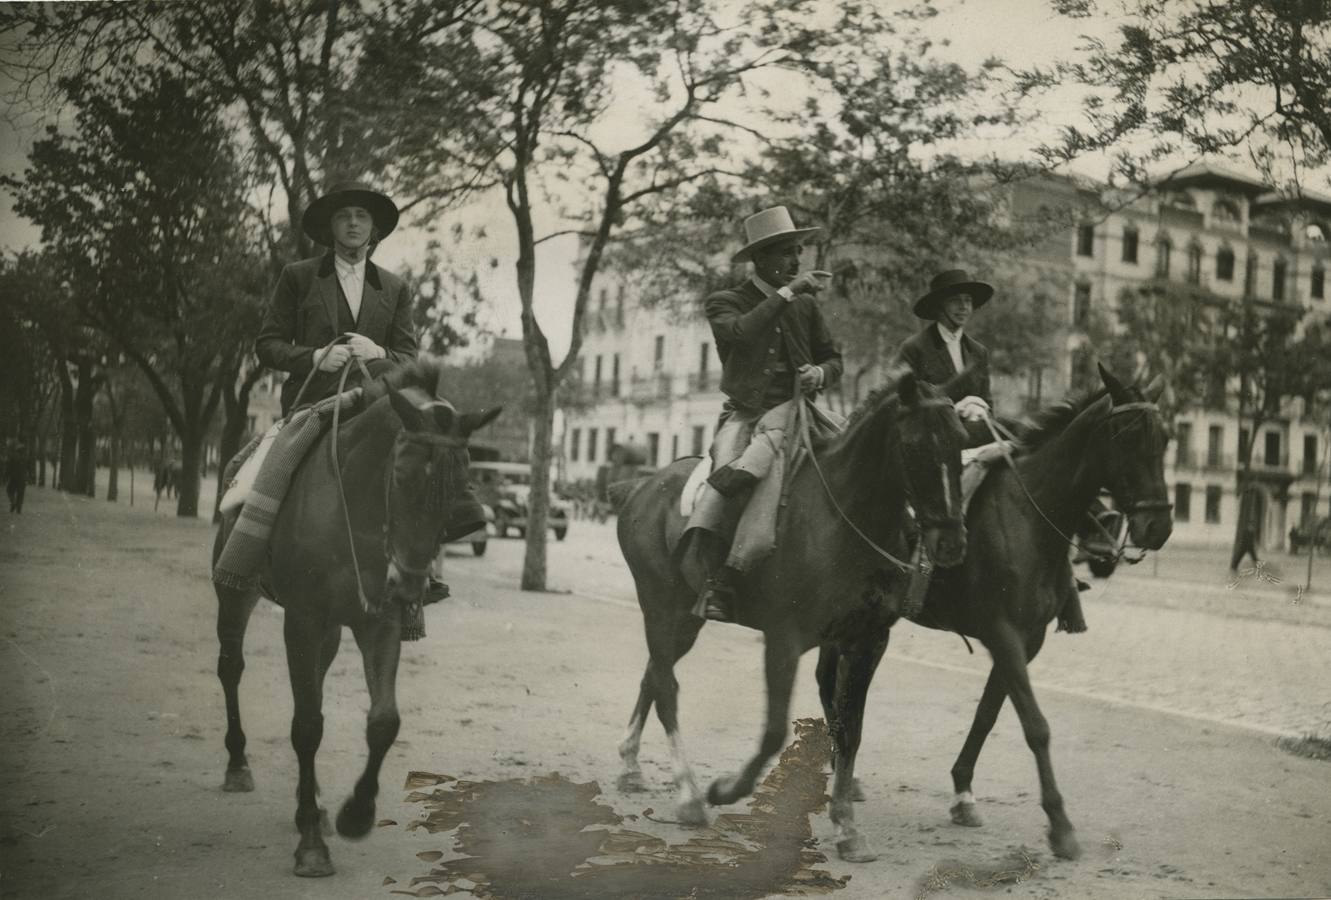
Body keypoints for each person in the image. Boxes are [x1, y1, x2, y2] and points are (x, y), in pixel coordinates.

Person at [896, 268, 1090, 632]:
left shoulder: (977, 351)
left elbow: (986, 401)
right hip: (933, 445)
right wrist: (953, 408)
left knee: (1027, 463)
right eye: (956, 300)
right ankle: (923, 575)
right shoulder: (915, 348)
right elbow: (907, 404)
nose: (963, 307)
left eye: (968, 301)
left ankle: (1062, 584)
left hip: (975, 437)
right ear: (940, 305)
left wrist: (980, 407)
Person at [690, 206, 844, 623]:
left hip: (799, 412)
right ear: (760, 260)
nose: (796, 262)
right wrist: (789, 293)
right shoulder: (725, 302)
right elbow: (739, 334)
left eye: (797, 252)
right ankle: (720, 579)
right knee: (742, 480)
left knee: (855, 456)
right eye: (785, 253)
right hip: (747, 417)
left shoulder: (806, 306)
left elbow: (833, 358)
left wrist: (820, 372)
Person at [256, 180, 419, 416]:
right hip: (311, 403)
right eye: (343, 216)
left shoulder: (395, 288)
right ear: (330, 225)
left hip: (374, 407)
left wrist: (378, 353)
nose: (353, 222)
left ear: (373, 228)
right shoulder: (298, 276)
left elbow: (409, 360)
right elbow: (267, 345)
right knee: (281, 452)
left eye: (361, 215)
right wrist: (315, 358)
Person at [1231, 482, 1262, 572]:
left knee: (1251, 556)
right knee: (1250, 556)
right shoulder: (1249, 528)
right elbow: (1248, 535)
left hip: (1247, 544)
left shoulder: (1250, 528)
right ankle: (1234, 566)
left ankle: (1234, 566)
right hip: (1247, 544)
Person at [6, 440, 28, 514]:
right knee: (20, 494)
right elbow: (28, 469)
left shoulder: (13, 458)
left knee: (9, 490)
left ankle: (13, 502)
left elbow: (8, 468)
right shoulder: (25, 459)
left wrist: (5, 476)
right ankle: (19, 508)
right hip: (22, 479)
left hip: (13, 478)